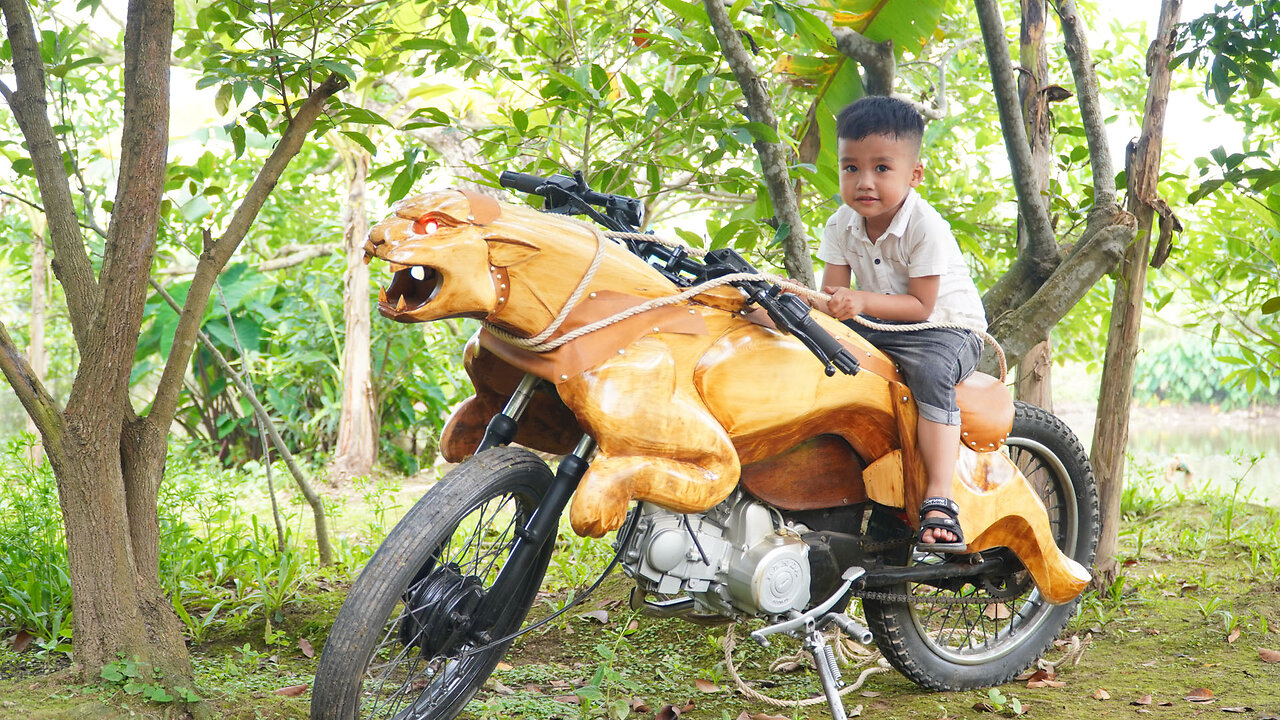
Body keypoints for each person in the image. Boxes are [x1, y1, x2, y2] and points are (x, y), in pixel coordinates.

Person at [812, 96, 988, 553]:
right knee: (817, 347)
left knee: (930, 374)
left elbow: (921, 306)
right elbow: (834, 299)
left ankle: (939, 496)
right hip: (882, 323)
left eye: (882, 169)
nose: (864, 182)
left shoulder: (925, 226)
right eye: (851, 168)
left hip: (947, 329)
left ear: (915, 174)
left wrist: (858, 302)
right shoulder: (840, 224)